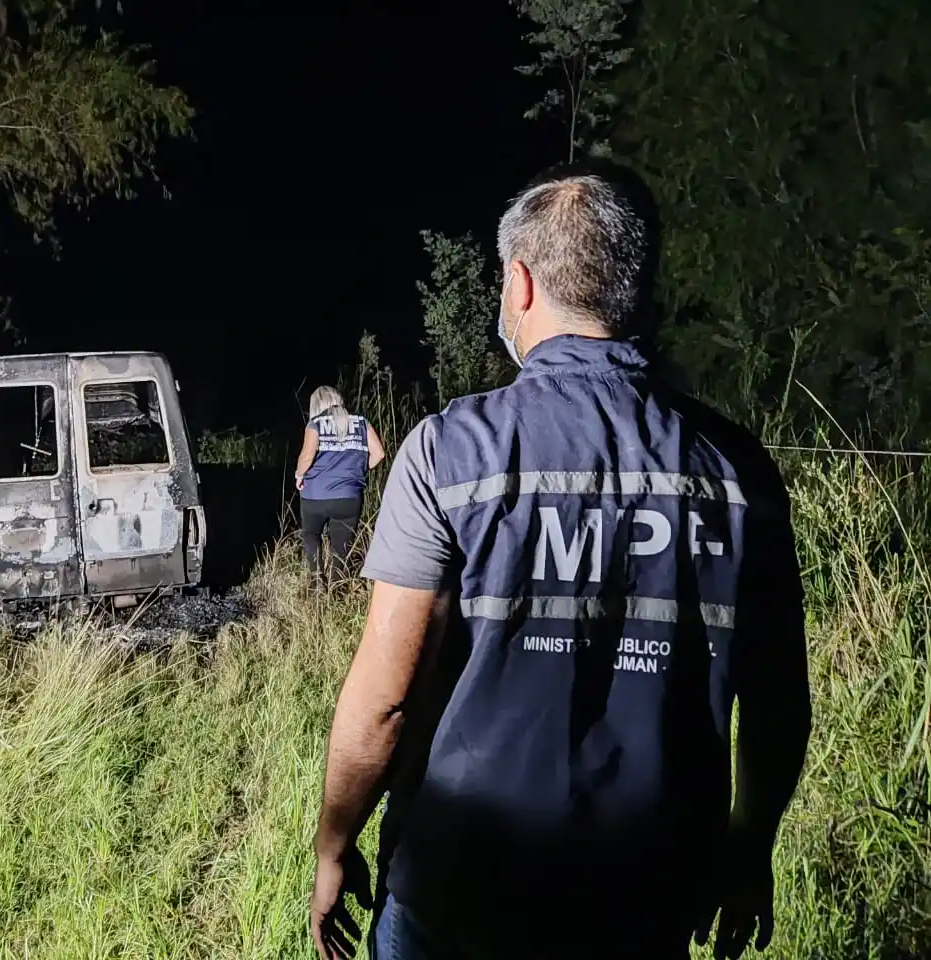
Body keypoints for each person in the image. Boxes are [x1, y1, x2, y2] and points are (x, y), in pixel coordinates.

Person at [309, 161, 812, 960]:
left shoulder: (450, 452)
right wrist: (750, 849)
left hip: (461, 884)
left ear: (520, 284)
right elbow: (779, 702)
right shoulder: (739, 470)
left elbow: (385, 701)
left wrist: (333, 845)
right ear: (633, 288)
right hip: (647, 892)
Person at [295, 386, 386, 586]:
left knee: (311, 536)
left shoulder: (315, 423)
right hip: (348, 497)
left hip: (315, 495)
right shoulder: (361, 422)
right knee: (340, 547)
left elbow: (307, 456)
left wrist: (299, 476)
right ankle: (337, 589)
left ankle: (317, 583)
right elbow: (379, 454)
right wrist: (357, 472)